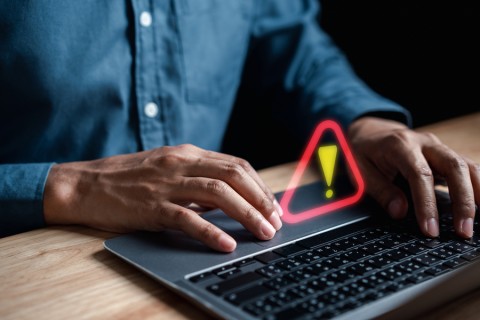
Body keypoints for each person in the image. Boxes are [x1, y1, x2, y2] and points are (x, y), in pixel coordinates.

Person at [1, 1, 478, 252]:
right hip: (37, 257)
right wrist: (70, 186)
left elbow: (295, 50)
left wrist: (360, 124)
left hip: (211, 243)